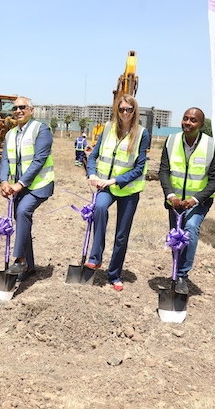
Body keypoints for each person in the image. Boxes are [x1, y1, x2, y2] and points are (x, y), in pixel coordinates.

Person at [84, 95, 150, 291]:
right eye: (122, 109)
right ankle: (95, 257)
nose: (125, 113)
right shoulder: (107, 128)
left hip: (128, 189)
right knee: (99, 208)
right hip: (105, 186)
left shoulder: (142, 134)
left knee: (121, 234)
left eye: (129, 109)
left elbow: (139, 167)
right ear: (117, 110)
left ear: (135, 111)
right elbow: (93, 156)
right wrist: (92, 173)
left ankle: (114, 274)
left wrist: (115, 180)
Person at [158, 107, 215, 294]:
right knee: (176, 236)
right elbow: (164, 171)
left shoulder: (211, 145)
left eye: (193, 120)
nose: (188, 122)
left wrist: (194, 200)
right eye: (185, 118)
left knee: (190, 228)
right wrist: (171, 196)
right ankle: (176, 273)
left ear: (201, 124)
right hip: (175, 202)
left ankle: (182, 275)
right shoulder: (171, 141)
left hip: (198, 202)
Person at [0, 96, 54, 281]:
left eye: (22, 107)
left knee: (23, 212)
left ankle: (20, 259)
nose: (18, 111)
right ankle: (29, 266)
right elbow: (5, 159)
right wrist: (3, 181)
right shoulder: (10, 134)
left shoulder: (41, 130)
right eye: (15, 108)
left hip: (39, 185)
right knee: (22, 221)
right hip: (19, 187)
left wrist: (20, 184)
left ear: (31, 110)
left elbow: (39, 160)